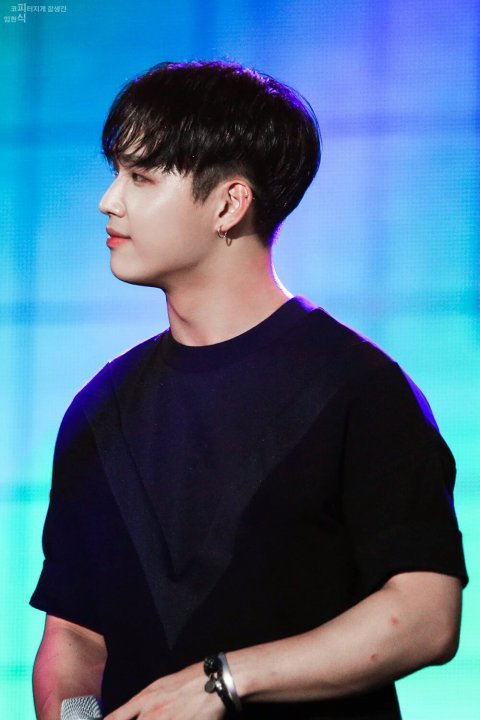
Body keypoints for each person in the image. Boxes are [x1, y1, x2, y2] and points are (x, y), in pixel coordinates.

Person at [30, 60, 468, 720]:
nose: (108, 200)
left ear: (229, 204)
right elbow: (75, 637)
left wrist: (221, 682)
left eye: (141, 177)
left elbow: (425, 616)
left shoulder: (360, 389)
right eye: (116, 172)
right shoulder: (100, 407)